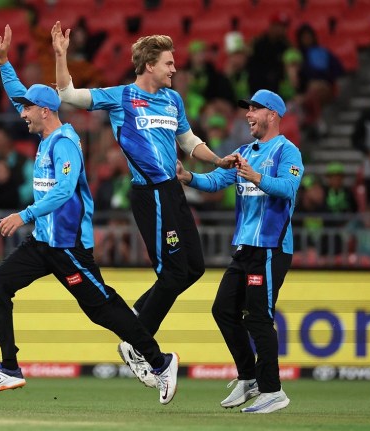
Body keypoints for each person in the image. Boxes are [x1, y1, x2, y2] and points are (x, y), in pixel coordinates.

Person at [0, 25, 178, 405]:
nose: (22, 114)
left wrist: (24, 214)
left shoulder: (64, 143)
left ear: (45, 110)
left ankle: (161, 362)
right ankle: (10, 368)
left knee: (103, 309)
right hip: (43, 243)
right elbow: (18, 93)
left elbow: (65, 191)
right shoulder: (45, 131)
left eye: (28, 109)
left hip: (67, 246)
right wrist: (3, 62)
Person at [52, 21, 236, 387]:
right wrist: (60, 55)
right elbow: (67, 94)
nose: (174, 69)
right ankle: (137, 342)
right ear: (149, 65)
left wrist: (217, 160)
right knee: (173, 273)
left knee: (194, 268)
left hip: (173, 191)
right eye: (169, 63)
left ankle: (135, 323)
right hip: (150, 193)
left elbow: (188, 142)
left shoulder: (173, 100)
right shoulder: (121, 96)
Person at [176, 89, 303, 413]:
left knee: (259, 318)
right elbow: (217, 180)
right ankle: (249, 378)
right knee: (223, 310)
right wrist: (188, 177)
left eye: (255, 109)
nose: (248, 114)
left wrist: (256, 177)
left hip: (271, 248)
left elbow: (288, 189)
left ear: (272, 114)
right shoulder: (244, 151)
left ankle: (273, 391)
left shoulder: (288, 151)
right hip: (245, 248)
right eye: (248, 109)